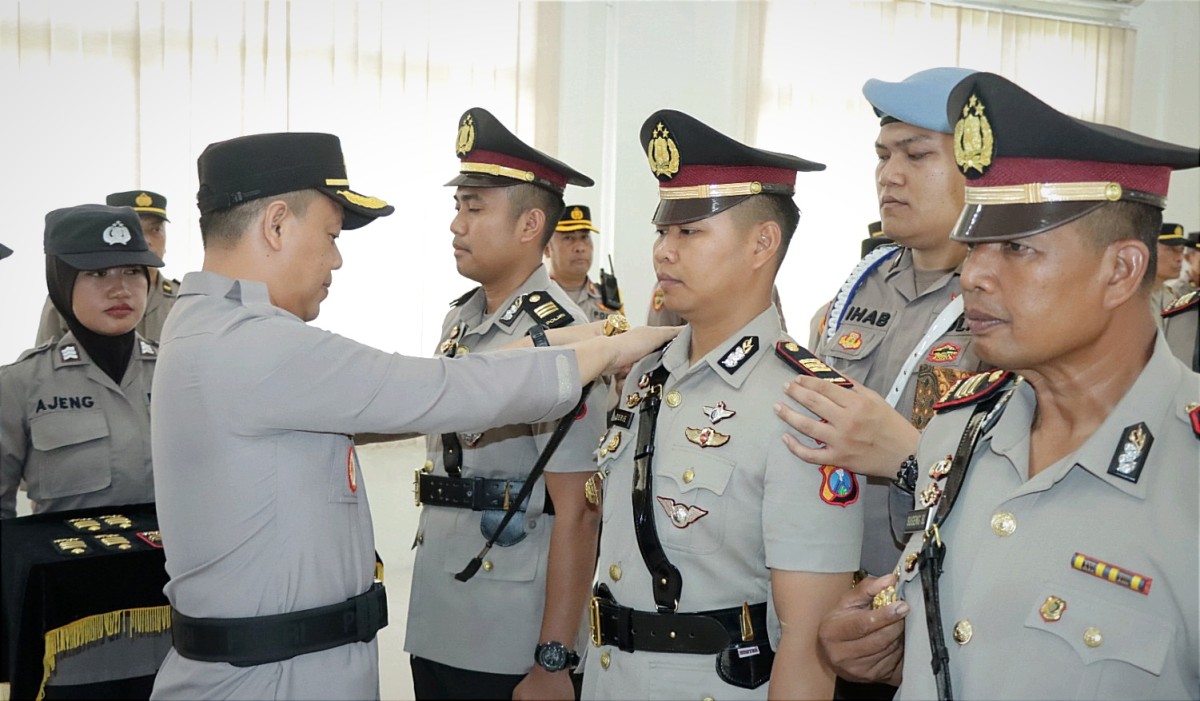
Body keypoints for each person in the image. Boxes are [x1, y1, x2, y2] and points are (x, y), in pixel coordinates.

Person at [149, 131, 677, 701]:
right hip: (272, 676)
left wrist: (602, 331)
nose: (336, 257)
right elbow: (440, 389)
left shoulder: (211, 328)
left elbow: (467, 379)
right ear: (277, 224)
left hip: (279, 664)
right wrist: (614, 346)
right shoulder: (256, 346)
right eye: (329, 235)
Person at [817, 71, 1198, 701]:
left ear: (1122, 269)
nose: (976, 276)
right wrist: (878, 654)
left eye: (1015, 247)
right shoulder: (957, 431)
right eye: (974, 247)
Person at [580, 109, 864, 701]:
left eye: (691, 232)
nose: (664, 252)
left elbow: (809, 644)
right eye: (664, 231)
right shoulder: (648, 376)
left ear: (763, 242)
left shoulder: (806, 403)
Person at [405, 107, 607, 701]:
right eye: (457, 207)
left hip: (509, 629)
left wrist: (553, 660)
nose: (456, 225)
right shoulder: (462, 319)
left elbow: (580, 510)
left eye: (474, 208)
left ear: (529, 226)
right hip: (441, 610)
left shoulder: (566, 339)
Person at [782, 67, 984, 587]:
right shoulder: (856, 289)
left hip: (936, 584)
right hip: (827, 575)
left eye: (916, 156)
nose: (889, 175)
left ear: (978, 165)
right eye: (882, 155)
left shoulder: (1006, 303)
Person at [2, 204, 163, 520]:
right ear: (61, 281)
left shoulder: (178, 372)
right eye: (98, 273)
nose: (120, 289)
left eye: (132, 271)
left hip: (171, 567)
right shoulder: (20, 384)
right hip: (68, 566)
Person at [35, 191, 180, 343]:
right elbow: (46, 360)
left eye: (155, 229)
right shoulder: (71, 296)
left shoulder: (182, 298)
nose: (147, 240)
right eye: (135, 231)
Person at [546, 204, 624, 321]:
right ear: (547, 249)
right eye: (568, 238)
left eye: (585, 237)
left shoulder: (608, 298)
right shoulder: (536, 297)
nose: (580, 247)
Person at [1151, 222, 1186, 323]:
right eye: (1171, 250)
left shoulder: (1172, 296)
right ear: (1149, 250)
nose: (1180, 258)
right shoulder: (1131, 298)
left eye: (1181, 250)